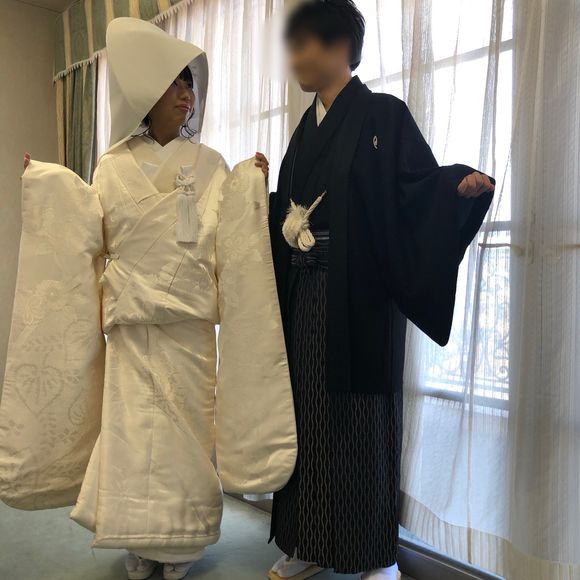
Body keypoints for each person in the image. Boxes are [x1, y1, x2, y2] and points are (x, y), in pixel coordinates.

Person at [0, 17, 297, 580]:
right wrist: (44, 183)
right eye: (176, 83)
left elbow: (228, 234)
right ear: (148, 93)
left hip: (187, 329)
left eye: (190, 85)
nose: (187, 94)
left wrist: (248, 183)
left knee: (186, 439)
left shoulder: (209, 164)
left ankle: (181, 542)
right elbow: (87, 229)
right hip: (132, 328)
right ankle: (136, 540)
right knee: (132, 438)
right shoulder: (112, 165)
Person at [267, 1, 495, 579]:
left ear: (341, 46)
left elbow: (415, 188)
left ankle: (374, 553)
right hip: (306, 297)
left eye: (307, 42)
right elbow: (286, 210)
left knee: (361, 422)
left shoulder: (383, 115)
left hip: (362, 297)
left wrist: (454, 187)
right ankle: (307, 541)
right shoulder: (303, 132)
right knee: (306, 417)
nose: (297, 56)